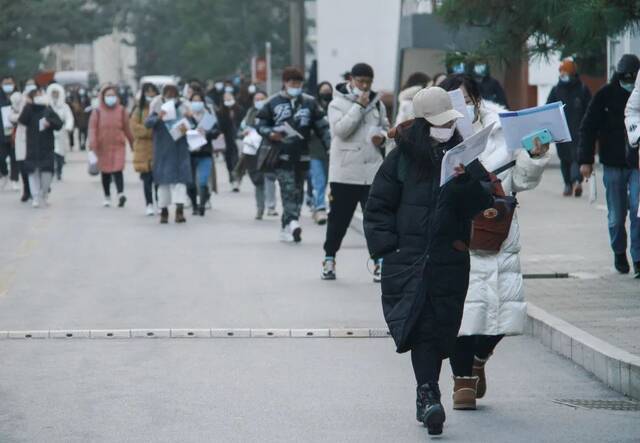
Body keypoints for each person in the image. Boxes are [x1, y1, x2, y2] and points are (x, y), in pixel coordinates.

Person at [363, 86, 493, 436]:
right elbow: (377, 206)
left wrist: (466, 182)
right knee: (418, 325)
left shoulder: (463, 153)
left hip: (449, 257)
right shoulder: (402, 157)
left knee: (439, 327)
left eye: (449, 122)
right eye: (438, 124)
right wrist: (388, 249)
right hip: (407, 258)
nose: (445, 128)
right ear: (422, 124)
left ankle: (428, 393)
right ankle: (428, 395)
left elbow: (482, 202)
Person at [440, 74, 550, 409]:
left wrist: (533, 156)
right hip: (456, 236)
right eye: (454, 101)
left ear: (476, 99)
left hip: (496, 233)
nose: (463, 107)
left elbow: (521, 181)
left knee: (504, 313)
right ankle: (462, 381)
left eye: (467, 99)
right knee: (461, 312)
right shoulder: (436, 137)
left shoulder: (503, 132)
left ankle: (480, 358)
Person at [321, 63, 389, 281]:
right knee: (338, 219)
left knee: (375, 219)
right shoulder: (337, 103)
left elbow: (386, 128)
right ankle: (329, 258)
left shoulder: (378, 104)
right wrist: (359, 106)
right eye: (360, 81)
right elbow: (340, 131)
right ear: (351, 79)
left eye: (368, 82)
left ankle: (379, 261)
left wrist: (384, 137)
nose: (365, 86)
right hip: (345, 173)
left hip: (371, 171)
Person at [255, 67, 331, 243]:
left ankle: (287, 224)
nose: (295, 86)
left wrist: (329, 147)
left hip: (304, 154)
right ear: (285, 83)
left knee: (298, 191)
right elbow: (260, 124)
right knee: (288, 189)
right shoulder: (273, 102)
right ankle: (293, 222)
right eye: (292, 83)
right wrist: (271, 132)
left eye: (298, 83)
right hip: (281, 154)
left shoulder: (309, 103)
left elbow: (322, 127)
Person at [582, 54, 640, 277]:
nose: (628, 82)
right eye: (624, 78)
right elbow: (588, 128)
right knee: (616, 216)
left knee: (637, 211)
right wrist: (585, 160)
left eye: (632, 78)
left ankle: (638, 258)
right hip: (613, 163)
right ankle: (619, 251)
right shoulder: (605, 95)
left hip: (636, 163)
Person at [145, 83, 193, 224]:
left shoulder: (184, 105)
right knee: (163, 183)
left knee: (180, 183)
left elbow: (193, 126)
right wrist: (158, 117)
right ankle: (164, 211)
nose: (171, 95)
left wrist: (190, 118)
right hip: (163, 150)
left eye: (173, 92)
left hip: (180, 150)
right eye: (168, 92)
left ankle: (179, 211)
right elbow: (148, 123)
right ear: (163, 94)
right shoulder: (157, 105)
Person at [547, 58, 592, 197]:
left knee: (575, 158)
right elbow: (548, 109)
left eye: (566, 72)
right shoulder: (556, 90)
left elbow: (590, 109)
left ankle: (576, 182)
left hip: (578, 131)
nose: (563, 75)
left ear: (572, 73)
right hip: (560, 131)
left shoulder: (582, 89)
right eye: (561, 72)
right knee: (564, 159)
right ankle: (568, 183)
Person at [88, 85, 134, 208]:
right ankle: (107, 196)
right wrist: (93, 144)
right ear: (103, 97)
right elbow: (92, 129)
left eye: (113, 95)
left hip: (118, 145)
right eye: (108, 95)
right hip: (102, 146)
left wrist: (132, 142)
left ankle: (120, 193)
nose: (110, 98)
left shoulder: (121, 110)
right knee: (106, 172)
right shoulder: (97, 112)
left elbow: (127, 128)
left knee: (118, 170)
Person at [18, 87, 63, 207]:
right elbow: (21, 120)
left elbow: (59, 124)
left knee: (47, 173)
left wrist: (50, 123)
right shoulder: (28, 109)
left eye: (40, 94)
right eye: (36, 95)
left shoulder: (48, 109)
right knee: (33, 173)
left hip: (46, 147)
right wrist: (27, 105)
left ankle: (45, 193)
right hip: (32, 146)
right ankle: (35, 196)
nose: (38, 97)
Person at [237, 91, 278, 219]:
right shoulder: (250, 114)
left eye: (262, 99)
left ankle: (271, 206)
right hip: (252, 151)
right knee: (257, 180)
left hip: (267, 148)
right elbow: (240, 130)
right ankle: (260, 207)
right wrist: (244, 133)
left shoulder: (272, 112)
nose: (259, 101)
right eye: (257, 99)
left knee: (269, 177)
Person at [186, 90, 219, 216]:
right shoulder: (187, 117)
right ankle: (194, 205)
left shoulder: (209, 117)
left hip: (205, 152)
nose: (196, 103)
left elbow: (217, 131)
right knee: (190, 182)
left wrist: (206, 132)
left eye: (199, 101)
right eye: (194, 101)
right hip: (189, 153)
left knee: (203, 181)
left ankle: (202, 204)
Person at [130, 82, 160, 216]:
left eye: (152, 92)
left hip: (158, 148)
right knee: (147, 179)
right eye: (147, 92)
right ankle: (149, 204)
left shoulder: (160, 109)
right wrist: (149, 131)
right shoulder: (138, 110)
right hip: (142, 150)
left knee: (159, 179)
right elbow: (135, 129)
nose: (150, 94)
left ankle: (160, 203)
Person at [309, 81, 333, 224]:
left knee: (328, 182)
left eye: (328, 90)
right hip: (315, 150)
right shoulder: (313, 107)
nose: (326, 93)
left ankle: (321, 205)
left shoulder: (335, 107)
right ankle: (320, 208)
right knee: (319, 181)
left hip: (331, 151)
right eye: (323, 90)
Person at [13, 79, 37, 201]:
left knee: (34, 165)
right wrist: (21, 117)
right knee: (23, 165)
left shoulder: (40, 99)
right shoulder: (19, 100)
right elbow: (11, 114)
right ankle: (26, 190)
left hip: (36, 137)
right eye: (28, 84)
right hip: (22, 136)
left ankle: (36, 190)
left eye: (32, 84)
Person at [46, 83, 74, 181]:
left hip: (61, 132)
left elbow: (69, 117)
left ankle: (59, 171)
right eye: (53, 93)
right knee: (51, 153)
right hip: (49, 132)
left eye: (56, 93)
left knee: (60, 153)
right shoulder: (47, 106)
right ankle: (52, 170)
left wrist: (68, 127)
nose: (55, 95)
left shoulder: (64, 106)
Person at [217, 91, 242, 191]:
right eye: (225, 99)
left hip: (239, 138)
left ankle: (237, 179)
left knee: (237, 160)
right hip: (226, 139)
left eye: (229, 98)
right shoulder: (220, 112)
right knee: (228, 161)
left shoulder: (239, 110)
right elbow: (219, 126)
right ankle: (232, 180)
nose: (227, 100)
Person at [0, 75, 20, 191]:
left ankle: (15, 179)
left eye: (10, 83)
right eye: (6, 83)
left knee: (15, 157)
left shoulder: (18, 97)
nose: (8, 86)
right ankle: (4, 173)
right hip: (1, 133)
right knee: (1, 157)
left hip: (15, 132)